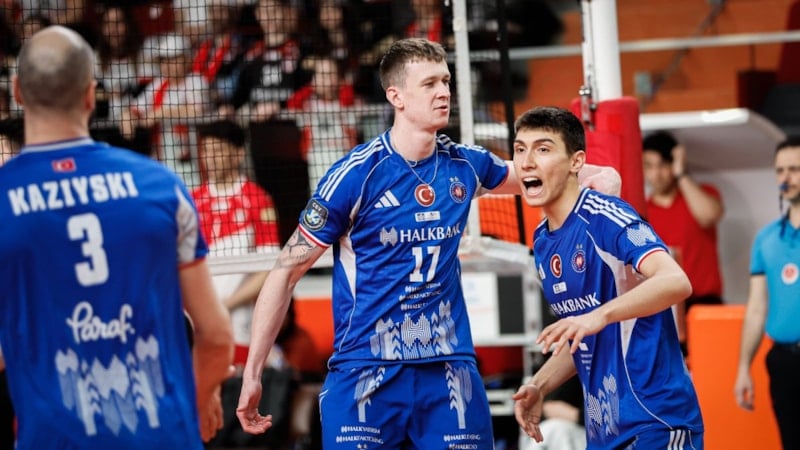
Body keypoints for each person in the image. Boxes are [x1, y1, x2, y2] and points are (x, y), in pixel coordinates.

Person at [235, 38, 621, 449]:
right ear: (396, 96)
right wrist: (253, 372)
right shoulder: (356, 175)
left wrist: (601, 173)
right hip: (365, 368)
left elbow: (538, 173)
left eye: (446, 81)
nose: (443, 92)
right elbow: (284, 273)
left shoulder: (465, 164)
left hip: (447, 370)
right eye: (430, 84)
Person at [0, 25, 234, 448]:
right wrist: (197, 403)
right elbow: (216, 337)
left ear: (17, 92)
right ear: (90, 95)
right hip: (163, 435)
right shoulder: (161, 186)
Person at [511, 106, 704, 449]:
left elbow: (676, 281)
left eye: (543, 149)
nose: (527, 162)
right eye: (520, 149)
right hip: (605, 429)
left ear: (576, 162)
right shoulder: (542, 241)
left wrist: (599, 314)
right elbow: (583, 335)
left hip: (654, 419)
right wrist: (539, 385)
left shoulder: (605, 215)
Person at [191, 119, 280, 360]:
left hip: (239, 319)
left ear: (238, 154)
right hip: (196, 318)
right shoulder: (192, 201)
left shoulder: (258, 199)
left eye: (218, 151)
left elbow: (268, 267)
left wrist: (226, 305)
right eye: (206, 151)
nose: (210, 158)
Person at [734, 137, 800, 450]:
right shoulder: (766, 238)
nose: (785, 178)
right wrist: (743, 368)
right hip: (783, 361)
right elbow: (757, 308)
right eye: (780, 170)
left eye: (794, 169)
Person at [642, 131, 725, 353]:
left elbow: (709, 215)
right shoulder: (643, 212)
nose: (656, 174)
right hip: (664, 306)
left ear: (674, 164)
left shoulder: (701, 193)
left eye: (662, 165)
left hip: (705, 303)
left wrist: (682, 174)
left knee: (711, 368)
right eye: (648, 166)